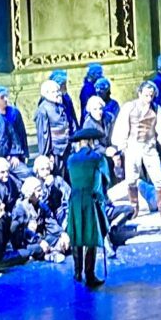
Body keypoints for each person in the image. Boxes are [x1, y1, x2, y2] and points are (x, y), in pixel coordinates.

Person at [63, 122, 114, 290]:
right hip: (90, 200)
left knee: (77, 234)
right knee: (91, 235)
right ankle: (89, 274)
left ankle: (77, 272)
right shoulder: (98, 158)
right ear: (91, 142)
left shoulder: (71, 160)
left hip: (75, 199)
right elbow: (105, 179)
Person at [118, 79, 161, 220]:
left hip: (149, 145)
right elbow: (122, 126)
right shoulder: (129, 107)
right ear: (140, 93)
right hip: (133, 145)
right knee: (131, 178)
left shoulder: (156, 109)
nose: (149, 98)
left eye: (152, 95)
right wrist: (121, 144)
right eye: (146, 95)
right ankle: (133, 208)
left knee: (158, 177)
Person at [33, 69, 76, 160]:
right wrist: (46, 154)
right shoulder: (43, 109)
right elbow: (43, 134)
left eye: (57, 91)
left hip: (67, 146)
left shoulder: (63, 101)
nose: (57, 93)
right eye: (54, 92)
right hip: (55, 150)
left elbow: (71, 119)